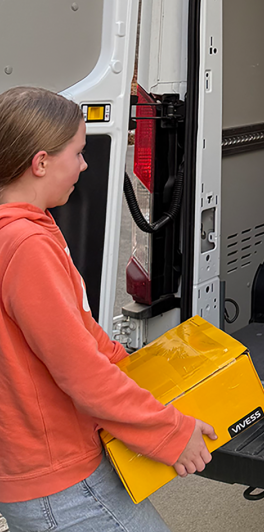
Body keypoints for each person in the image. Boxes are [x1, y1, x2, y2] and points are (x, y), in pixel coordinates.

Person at [0, 87, 216, 532]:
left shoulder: (20, 233)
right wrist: (170, 432)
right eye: (78, 153)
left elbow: (79, 333)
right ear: (40, 163)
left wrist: (140, 367)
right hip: (61, 484)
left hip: (28, 470)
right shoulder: (27, 246)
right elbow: (78, 369)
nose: (83, 165)